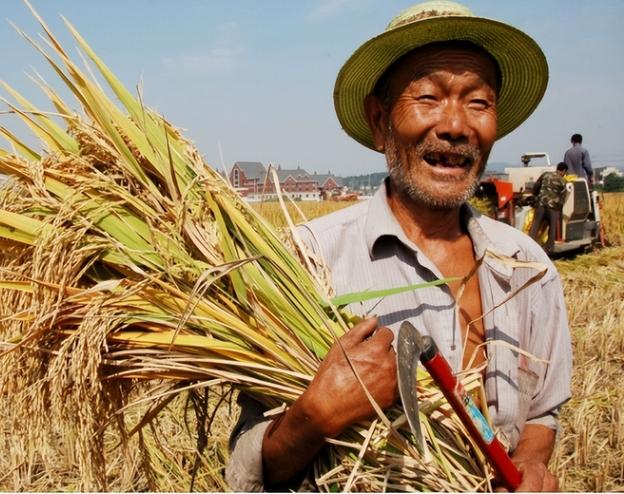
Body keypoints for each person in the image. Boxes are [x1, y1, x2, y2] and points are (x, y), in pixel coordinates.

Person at [226, 1, 572, 492]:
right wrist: (314, 415)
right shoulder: (306, 263)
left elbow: (543, 412)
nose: (456, 125)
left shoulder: (529, 269)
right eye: (428, 97)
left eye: (478, 102)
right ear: (378, 118)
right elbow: (245, 469)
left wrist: (532, 463)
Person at [529, 163, 569, 253]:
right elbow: (563, 199)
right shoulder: (563, 181)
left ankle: (529, 247)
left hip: (541, 204)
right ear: (564, 171)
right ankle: (548, 251)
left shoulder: (545, 174)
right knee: (552, 229)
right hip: (553, 208)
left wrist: (535, 196)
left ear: (557, 168)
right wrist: (557, 210)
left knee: (535, 226)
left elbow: (536, 186)